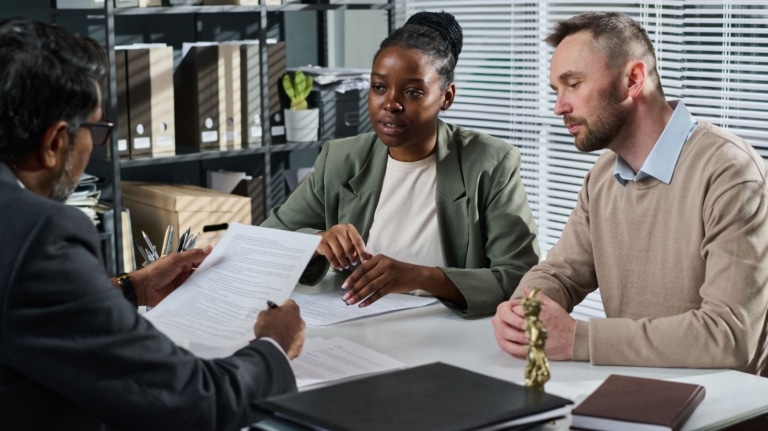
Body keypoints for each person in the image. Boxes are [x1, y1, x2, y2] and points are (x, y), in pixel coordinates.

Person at [0, 18, 305, 430]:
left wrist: (132, 288)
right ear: (56, 142)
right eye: (97, 128)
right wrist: (275, 346)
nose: (94, 144)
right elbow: (192, 403)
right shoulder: (39, 234)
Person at [492, 12, 768, 375]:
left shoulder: (731, 172)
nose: (559, 107)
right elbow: (560, 274)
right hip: (633, 390)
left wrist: (577, 339)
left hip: (728, 411)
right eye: (556, 91)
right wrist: (522, 312)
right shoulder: (602, 177)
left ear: (633, 80)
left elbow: (729, 336)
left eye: (572, 84)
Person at [262, 11, 539, 318]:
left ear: (446, 97)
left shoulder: (489, 162)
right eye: (379, 87)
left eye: (413, 92)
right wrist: (316, 242)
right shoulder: (341, 158)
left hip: (449, 333)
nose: (390, 104)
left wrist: (420, 277)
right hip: (356, 325)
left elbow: (520, 277)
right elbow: (265, 241)